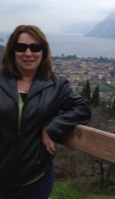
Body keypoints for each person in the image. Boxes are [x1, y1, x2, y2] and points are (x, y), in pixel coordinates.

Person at [0, 25, 92, 199]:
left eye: (35, 47)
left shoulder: (56, 84)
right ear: (12, 51)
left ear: (43, 51)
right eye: (21, 47)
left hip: (37, 178)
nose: (28, 53)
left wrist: (52, 127)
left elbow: (83, 109)